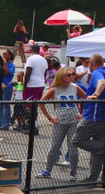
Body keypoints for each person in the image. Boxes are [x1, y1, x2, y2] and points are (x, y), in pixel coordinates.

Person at [39, 67, 85, 180]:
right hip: (59, 122)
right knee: (55, 146)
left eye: (73, 74)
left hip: (73, 122)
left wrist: (82, 114)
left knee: (73, 147)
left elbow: (87, 98)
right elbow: (41, 102)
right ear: (62, 76)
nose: (72, 76)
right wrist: (50, 118)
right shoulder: (55, 89)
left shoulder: (74, 87)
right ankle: (47, 170)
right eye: (69, 75)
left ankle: (73, 174)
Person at [74, 54, 105, 183]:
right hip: (101, 117)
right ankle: (94, 179)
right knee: (98, 151)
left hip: (93, 117)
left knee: (77, 140)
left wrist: (96, 94)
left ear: (91, 64)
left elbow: (102, 82)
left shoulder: (98, 72)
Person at [21, 43, 49, 134]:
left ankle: (31, 126)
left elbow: (28, 72)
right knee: (35, 105)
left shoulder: (31, 59)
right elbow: (45, 73)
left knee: (28, 106)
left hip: (32, 84)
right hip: (40, 84)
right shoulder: (43, 60)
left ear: (32, 50)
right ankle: (34, 125)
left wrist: (25, 85)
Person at [0, 49, 16, 130]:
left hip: (7, 87)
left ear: (10, 56)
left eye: (6, 55)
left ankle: (5, 124)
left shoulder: (11, 65)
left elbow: (7, 73)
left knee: (5, 105)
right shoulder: (0, 64)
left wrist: (5, 63)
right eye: (3, 55)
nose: (4, 56)